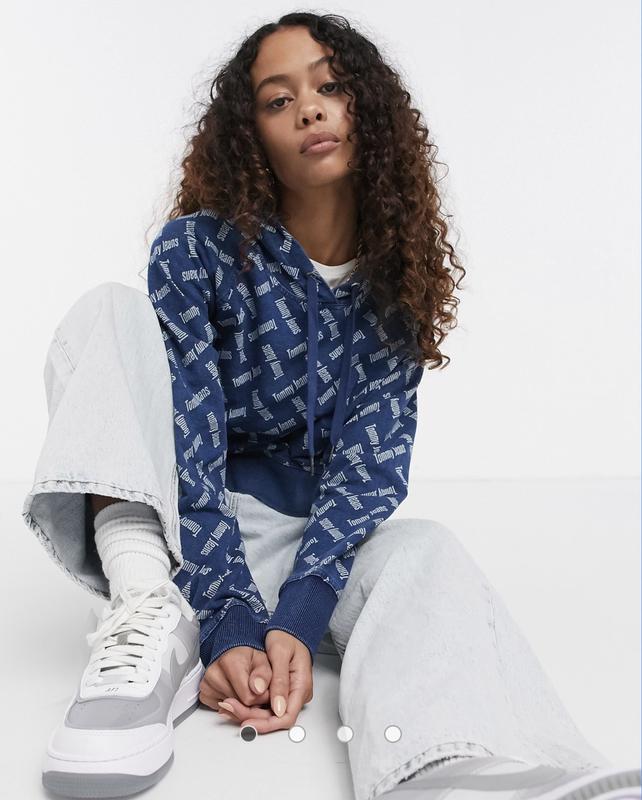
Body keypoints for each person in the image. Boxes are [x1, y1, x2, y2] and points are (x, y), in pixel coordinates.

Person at [22, 11, 640, 800]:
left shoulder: (396, 281)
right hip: (185, 530)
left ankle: (444, 767)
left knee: (424, 547)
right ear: (251, 138)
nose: (309, 109)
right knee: (105, 313)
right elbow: (191, 443)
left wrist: (299, 615)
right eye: (278, 101)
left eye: (330, 86)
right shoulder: (195, 252)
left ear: (367, 109)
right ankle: (149, 613)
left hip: (309, 542)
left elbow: (368, 469)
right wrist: (227, 617)